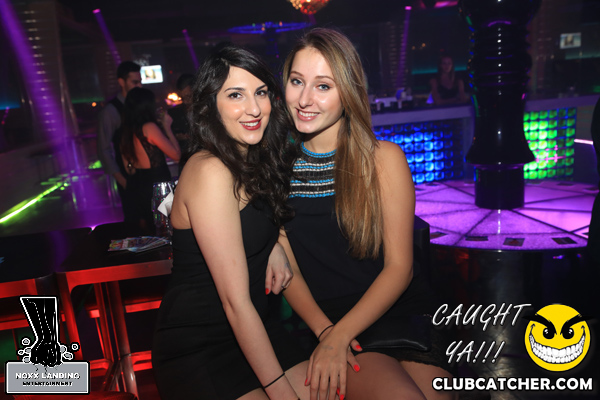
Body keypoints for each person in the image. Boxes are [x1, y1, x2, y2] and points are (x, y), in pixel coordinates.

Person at [279, 28, 456, 400]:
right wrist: (328, 335)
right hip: (328, 321)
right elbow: (289, 270)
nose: (305, 99)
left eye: (323, 86)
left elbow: (400, 268)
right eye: (297, 81)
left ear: (348, 92)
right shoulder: (275, 170)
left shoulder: (382, 159)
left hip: (401, 313)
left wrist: (339, 336)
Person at [152, 45, 309, 400]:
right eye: (236, 95)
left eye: (261, 93)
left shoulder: (255, 158)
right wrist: (280, 392)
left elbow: (252, 222)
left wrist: (273, 244)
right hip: (201, 346)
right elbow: (235, 302)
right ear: (211, 105)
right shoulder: (210, 170)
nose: (254, 108)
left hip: (256, 329)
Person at [119, 87, 180, 227]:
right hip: (158, 186)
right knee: (166, 228)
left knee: (151, 229)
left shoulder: (126, 132)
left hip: (139, 186)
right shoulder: (149, 127)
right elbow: (177, 156)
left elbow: (128, 169)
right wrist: (167, 127)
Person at [96, 61, 142, 208]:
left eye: (140, 82)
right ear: (121, 82)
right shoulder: (110, 111)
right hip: (128, 175)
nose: (140, 86)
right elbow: (103, 149)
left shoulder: (139, 105)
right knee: (135, 217)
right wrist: (122, 180)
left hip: (146, 174)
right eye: (135, 82)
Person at [167, 73, 195, 154]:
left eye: (188, 96)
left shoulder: (209, 110)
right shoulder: (176, 112)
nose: (185, 101)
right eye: (182, 98)